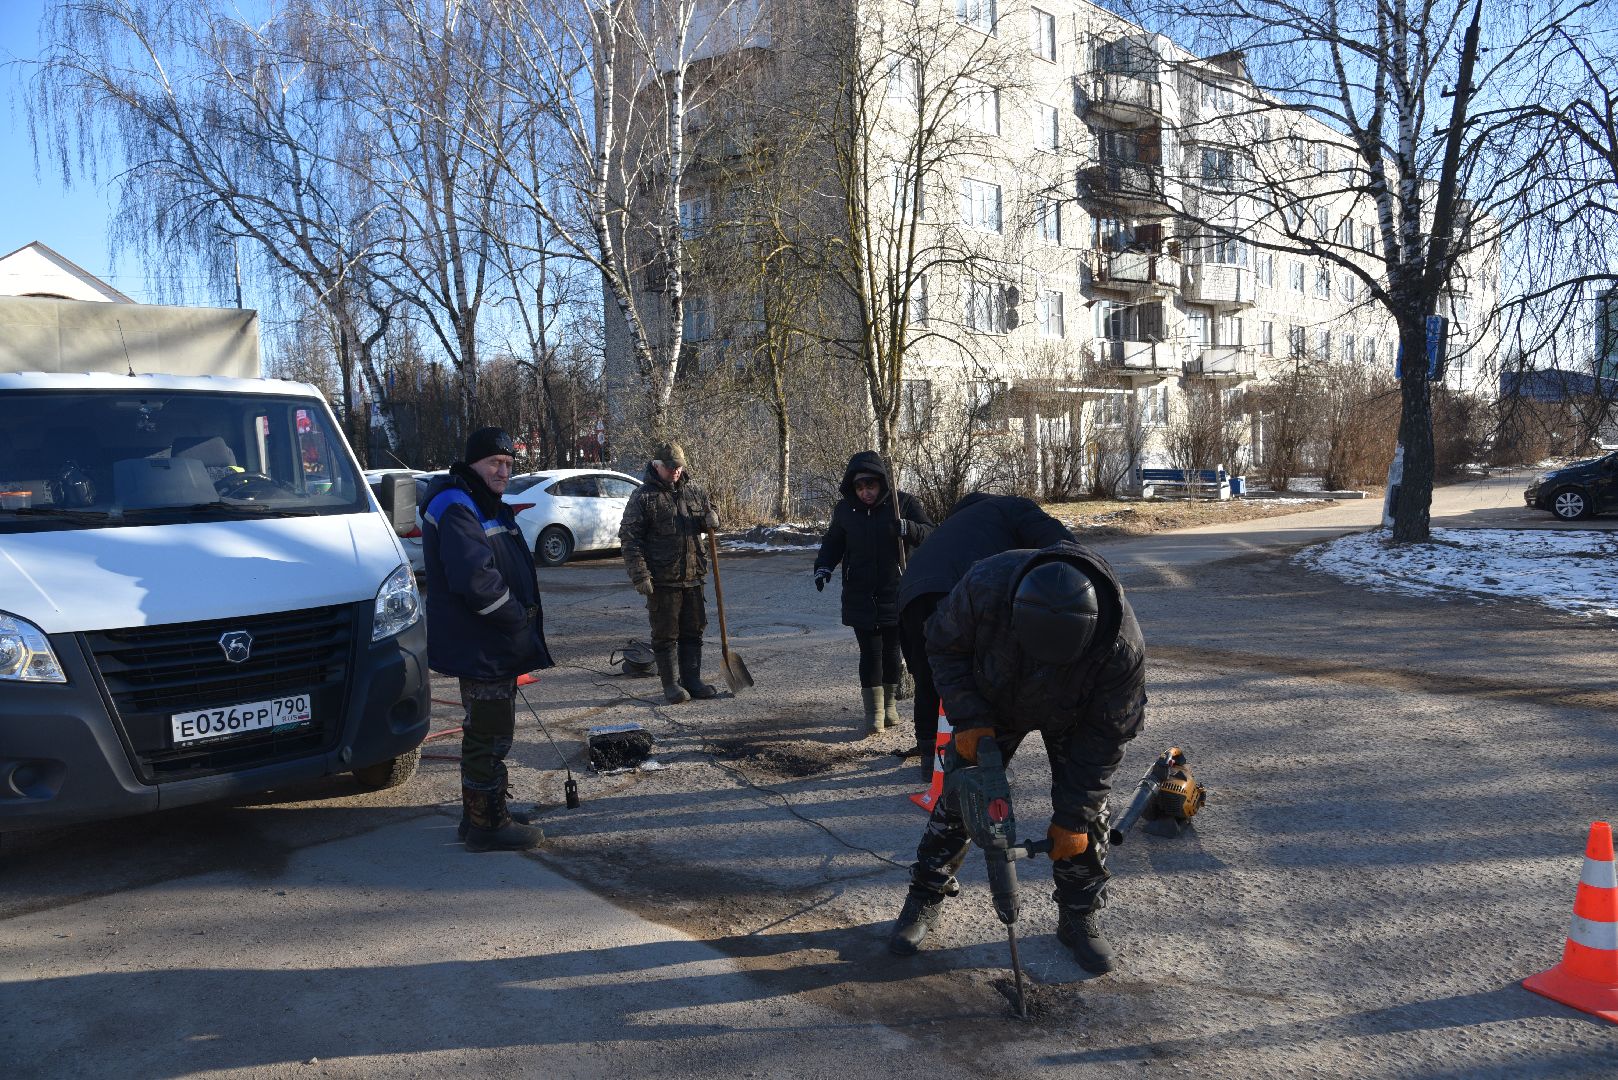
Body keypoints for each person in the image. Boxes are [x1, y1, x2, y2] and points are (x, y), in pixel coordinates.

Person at [888, 541, 1146, 974]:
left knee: (1085, 817)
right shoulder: (984, 588)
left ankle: (1079, 913)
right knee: (961, 797)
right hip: (992, 702)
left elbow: (1108, 734)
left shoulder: (1121, 649)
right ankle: (925, 897)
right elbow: (942, 645)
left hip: (1076, 716)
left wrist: (1074, 815)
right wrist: (969, 718)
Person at [421, 427, 555, 853]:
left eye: (509, 464)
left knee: (487, 730)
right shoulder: (457, 504)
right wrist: (516, 619)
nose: (502, 471)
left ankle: (477, 813)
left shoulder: (480, 501)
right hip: (482, 642)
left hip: (490, 641)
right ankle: (487, 824)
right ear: (472, 463)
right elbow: (476, 580)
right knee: (489, 734)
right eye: (494, 463)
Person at [895, 493, 1074, 777]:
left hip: (911, 593)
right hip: (962, 590)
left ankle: (931, 762)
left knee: (929, 677)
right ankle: (974, 763)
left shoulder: (951, 525)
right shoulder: (1013, 507)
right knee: (980, 676)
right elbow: (1063, 544)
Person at [812, 451, 934, 736]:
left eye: (871, 485)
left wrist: (910, 528)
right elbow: (833, 542)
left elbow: (931, 532)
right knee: (870, 653)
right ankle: (874, 713)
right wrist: (824, 567)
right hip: (860, 593)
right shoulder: (845, 511)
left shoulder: (902, 503)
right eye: (859, 487)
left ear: (881, 483)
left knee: (892, 652)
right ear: (852, 488)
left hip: (896, 590)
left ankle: (889, 706)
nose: (866, 492)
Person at [619, 441, 721, 704]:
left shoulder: (695, 491)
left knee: (693, 631)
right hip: (663, 579)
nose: (676, 471)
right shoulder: (643, 498)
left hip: (693, 575)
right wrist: (640, 575)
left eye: (679, 466)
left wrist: (713, 520)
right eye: (670, 466)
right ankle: (671, 685)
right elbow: (630, 540)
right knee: (665, 634)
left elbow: (704, 520)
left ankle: (693, 681)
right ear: (657, 466)